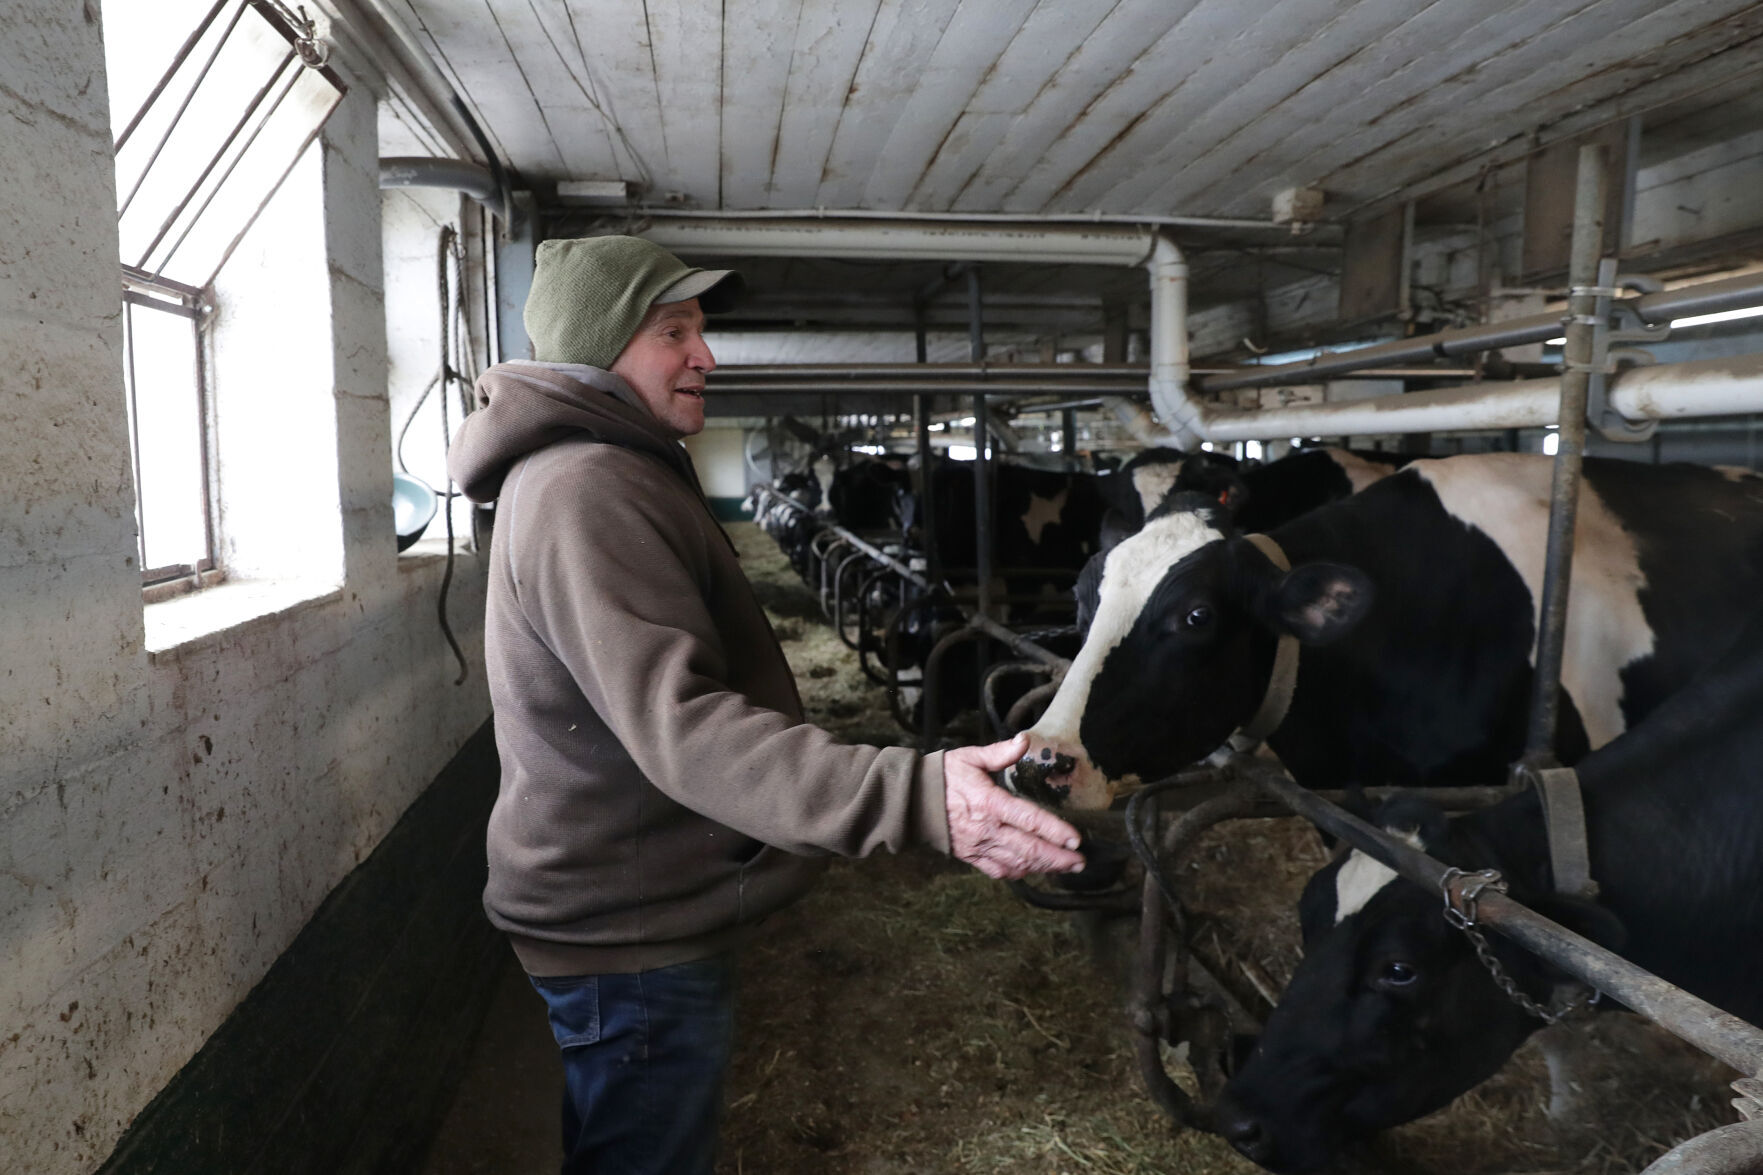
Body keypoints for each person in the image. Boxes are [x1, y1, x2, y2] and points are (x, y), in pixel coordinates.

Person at [446, 235, 1084, 1175]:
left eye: (699, 331)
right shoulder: (587, 487)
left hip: (622, 905)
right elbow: (685, 725)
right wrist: (917, 794)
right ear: (601, 344)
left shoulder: (597, 472)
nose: (705, 356)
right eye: (674, 332)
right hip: (631, 929)